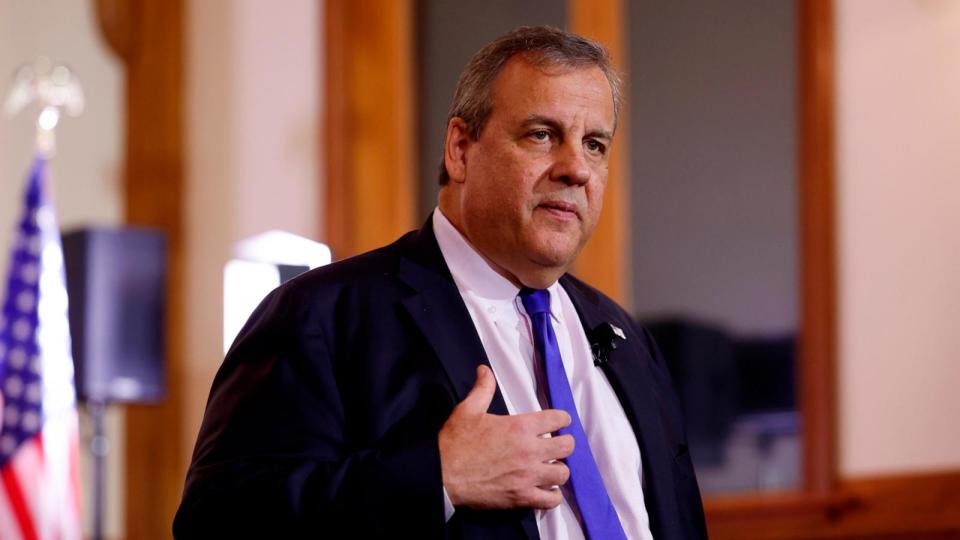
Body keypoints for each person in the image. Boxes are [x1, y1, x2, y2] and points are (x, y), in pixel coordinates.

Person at [174, 26, 706, 539]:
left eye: (595, 144)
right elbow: (218, 521)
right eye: (542, 135)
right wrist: (439, 479)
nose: (576, 169)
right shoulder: (323, 316)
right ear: (459, 148)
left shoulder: (623, 337)